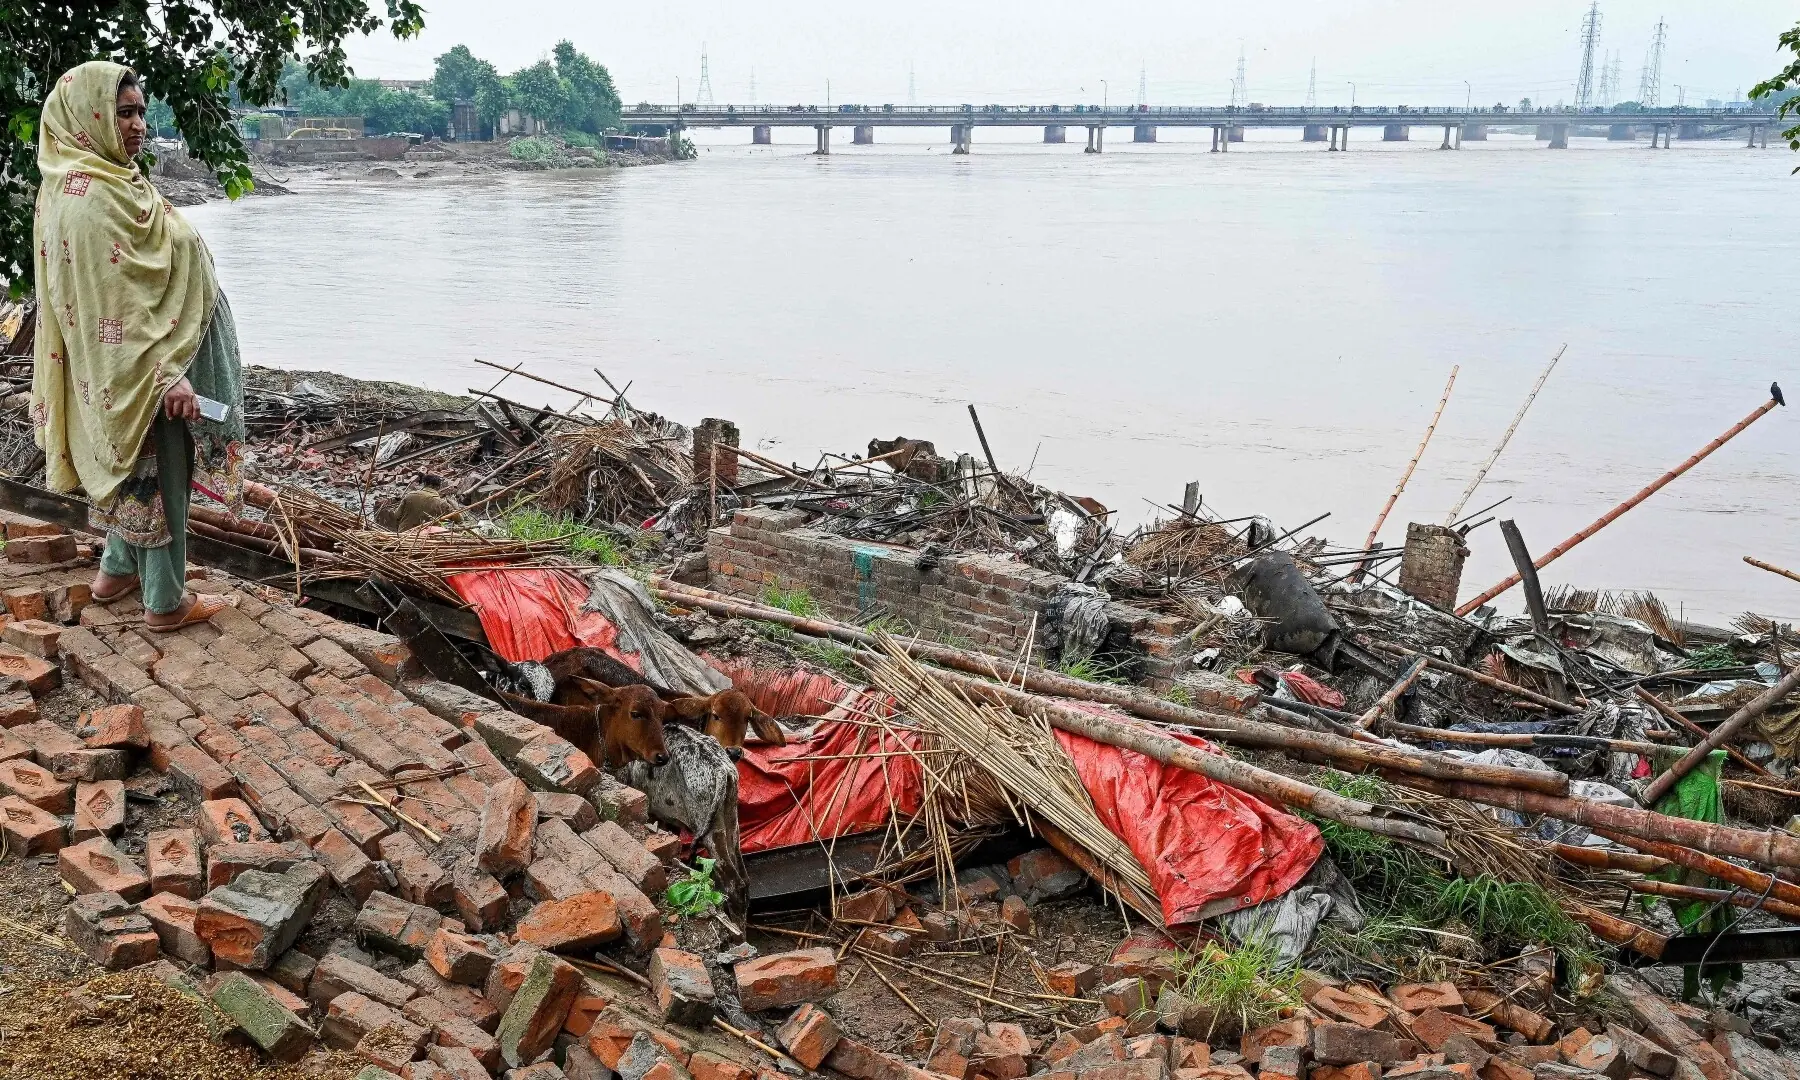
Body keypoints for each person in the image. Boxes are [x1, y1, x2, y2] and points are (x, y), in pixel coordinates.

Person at [29, 60, 247, 630]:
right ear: (90, 117)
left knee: (137, 471)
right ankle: (166, 602)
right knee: (162, 472)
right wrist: (167, 374)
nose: (138, 125)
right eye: (124, 113)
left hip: (126, 365)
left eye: (142, 112)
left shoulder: (92, 179)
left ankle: (117, 570)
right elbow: (116, 301)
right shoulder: (91, 199)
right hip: (141, 365)